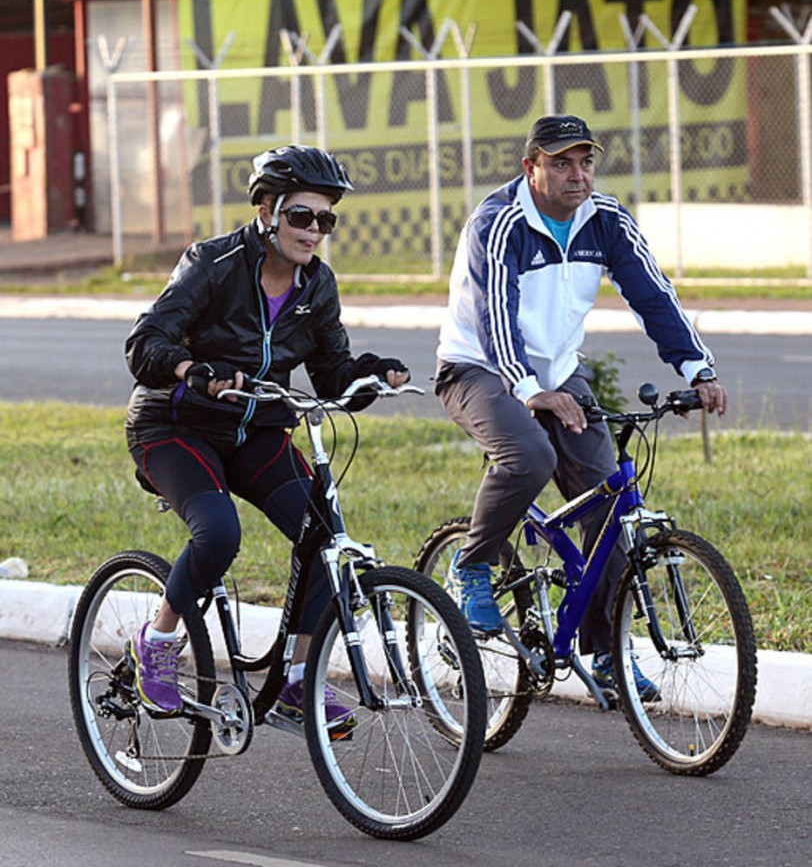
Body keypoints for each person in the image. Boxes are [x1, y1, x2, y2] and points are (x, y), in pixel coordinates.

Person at [435, 114, 727, 700]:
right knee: (528, 454)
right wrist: (527, 387)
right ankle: (471, 567)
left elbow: (652, 292)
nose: (577, 174)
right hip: (479, 368)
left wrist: (698, 368)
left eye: (585, 161)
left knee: (607, 501)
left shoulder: (606, 219)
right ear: (531, 167)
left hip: (561, 374)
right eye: (561, 162)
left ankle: (610, 653)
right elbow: (495, 312)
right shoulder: (500, 222)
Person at [124, 144, 410, 722]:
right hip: (176, 425)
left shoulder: (317, 285)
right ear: (268, 212)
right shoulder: (214, 263)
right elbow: (144, 343)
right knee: (219, 535)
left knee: (327, 540)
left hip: (258, 429)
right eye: (302, 216)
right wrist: (191, 371)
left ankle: (298, 681)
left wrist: (371, 374)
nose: (313, 231)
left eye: (325, 220)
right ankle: (155, 643)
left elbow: (331, 372)